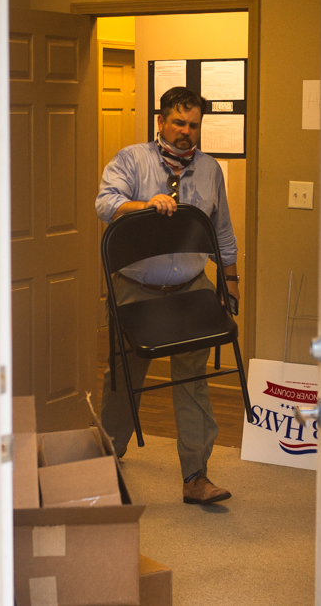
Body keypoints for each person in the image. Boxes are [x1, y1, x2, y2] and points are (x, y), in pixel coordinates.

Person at [95, 86, 240, 505]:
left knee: (193, 379)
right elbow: (105, 203)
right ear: (161, 122)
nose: (186, 132)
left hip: (190, 289)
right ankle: (109, 452)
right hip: (136, 288)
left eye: (193, 125)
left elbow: (223, 232)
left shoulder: (211, 170)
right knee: (125, 375)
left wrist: (230, 284)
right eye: (178, 122)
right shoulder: (131, 159)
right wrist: (144, 204)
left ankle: (196, 475)